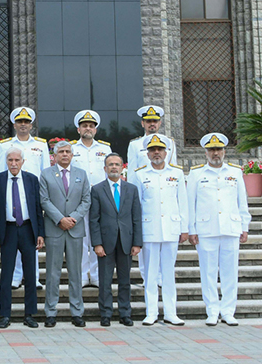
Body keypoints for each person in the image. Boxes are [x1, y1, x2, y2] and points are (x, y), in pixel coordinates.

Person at [188, 133, 251, 326]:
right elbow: (191, 204)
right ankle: (212, 311)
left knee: (230, 272)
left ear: (224, 151)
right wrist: (191, 229)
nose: (215, 153)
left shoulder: (235, 172)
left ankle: (228, 311)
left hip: (231, 228)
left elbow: (242, 202)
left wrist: (244, 225)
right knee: (208, 272)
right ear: (205, 152)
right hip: (206, 229)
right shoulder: (196, 174)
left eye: (219, 149)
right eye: (211, 150)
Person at [128, 134, 188, 326]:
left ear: (166, 152)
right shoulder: (140, 174)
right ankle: (151, 312)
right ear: (147, 153)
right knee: (150, 274)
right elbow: (135, 205)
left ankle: (171, 312)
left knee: (169, 273)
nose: (156, 153)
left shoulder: (177, 173)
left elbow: (183, 202)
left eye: (160, 149)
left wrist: (184, 228)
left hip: (171, 228)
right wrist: (136, 233)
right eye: (152, 150)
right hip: (149, 229)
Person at [0, 147, 44, 329]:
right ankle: (5, 314)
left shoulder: (31, 180)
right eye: (10, 160)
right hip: (8, 230)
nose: (13, 163)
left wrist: (40, 234)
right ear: (6, 161)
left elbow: (37, 209)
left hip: (28, 229)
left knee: (30, 274)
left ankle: (29, 314)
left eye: (17, 160)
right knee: (6, 274)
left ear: (23, 161)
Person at [39, 140, 91, 328]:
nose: (65, 155)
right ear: (54, 155)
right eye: (61, 152)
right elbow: (44, 200)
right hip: (54, 229)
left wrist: (73, 218)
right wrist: (60, 219)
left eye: (68, 151)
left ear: (72, 154)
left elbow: (86, 200)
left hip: (75, 229)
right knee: (52, 273)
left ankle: (77, 311)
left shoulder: (81, 174)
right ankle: (50, 312)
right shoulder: (46, 174)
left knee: (75, 273)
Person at [0, 106, 47, 289]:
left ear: (31, 125)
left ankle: (34, 277)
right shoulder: (5, 145)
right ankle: (16, 277)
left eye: (26, 122)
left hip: (32, 197)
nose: (23, 125)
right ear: (14, 125)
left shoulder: (41, 145)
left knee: (32, 239)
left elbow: (45, 173)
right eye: (20, 122)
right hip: (11, 194)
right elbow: (1, 172)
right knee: (13, 238)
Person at [89, 153, 142, 327]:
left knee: (125, 280)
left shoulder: (131, 189)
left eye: (117, 164)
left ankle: (125, 313)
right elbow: (94, 219)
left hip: (126, 242)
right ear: (105, 168)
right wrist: (96, 243)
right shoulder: (97, 189)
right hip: (105, 242)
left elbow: (136, 218)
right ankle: (105, 313)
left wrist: (137, 242)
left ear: (122, 168)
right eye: (110, 164)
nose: (113, 167)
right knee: (104, 281)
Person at [127, 105, 178, 285]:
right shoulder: (135, 145)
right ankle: (147, 278)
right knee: (145, 242)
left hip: (165, 198)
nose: (152, 124)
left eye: (155, 121)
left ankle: (164, 279)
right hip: (144, 197)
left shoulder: (170, 143)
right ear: (143, 123)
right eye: (148, 121)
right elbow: (133, 173)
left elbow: (174, 170)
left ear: (160, 123)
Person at [71, 110, 111, 288]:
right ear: (78, 129)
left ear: (95, 130)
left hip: (100, 197)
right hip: (78, 199)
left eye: (91, 126)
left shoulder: (105, 149)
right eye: (84, 126)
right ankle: (82, 275)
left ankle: (95, 274)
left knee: (97, 236)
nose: (88, 128)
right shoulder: (72, 149)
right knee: (80, 238)